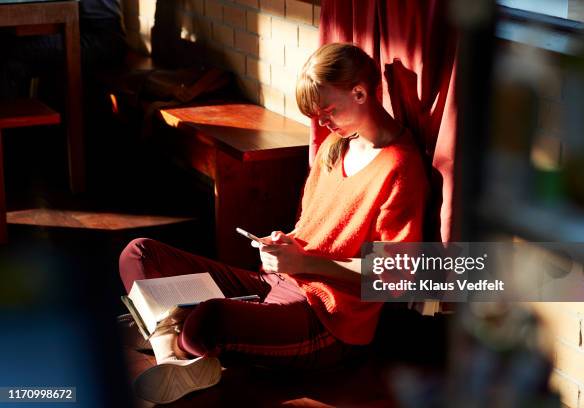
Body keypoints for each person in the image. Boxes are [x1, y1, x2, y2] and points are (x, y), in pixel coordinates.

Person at [119, 42, 429, 404]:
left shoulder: (400, 167)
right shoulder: (337, 145)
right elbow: (314, 230)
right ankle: (171, 350)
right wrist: (284, 242)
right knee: (138, 253)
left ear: (360, 92)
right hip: (279, 283)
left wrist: (305, 263)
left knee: (207, 324)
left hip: (329, 322)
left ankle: (165, 330)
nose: (322, 122)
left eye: (327, 110)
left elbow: (397, 277)